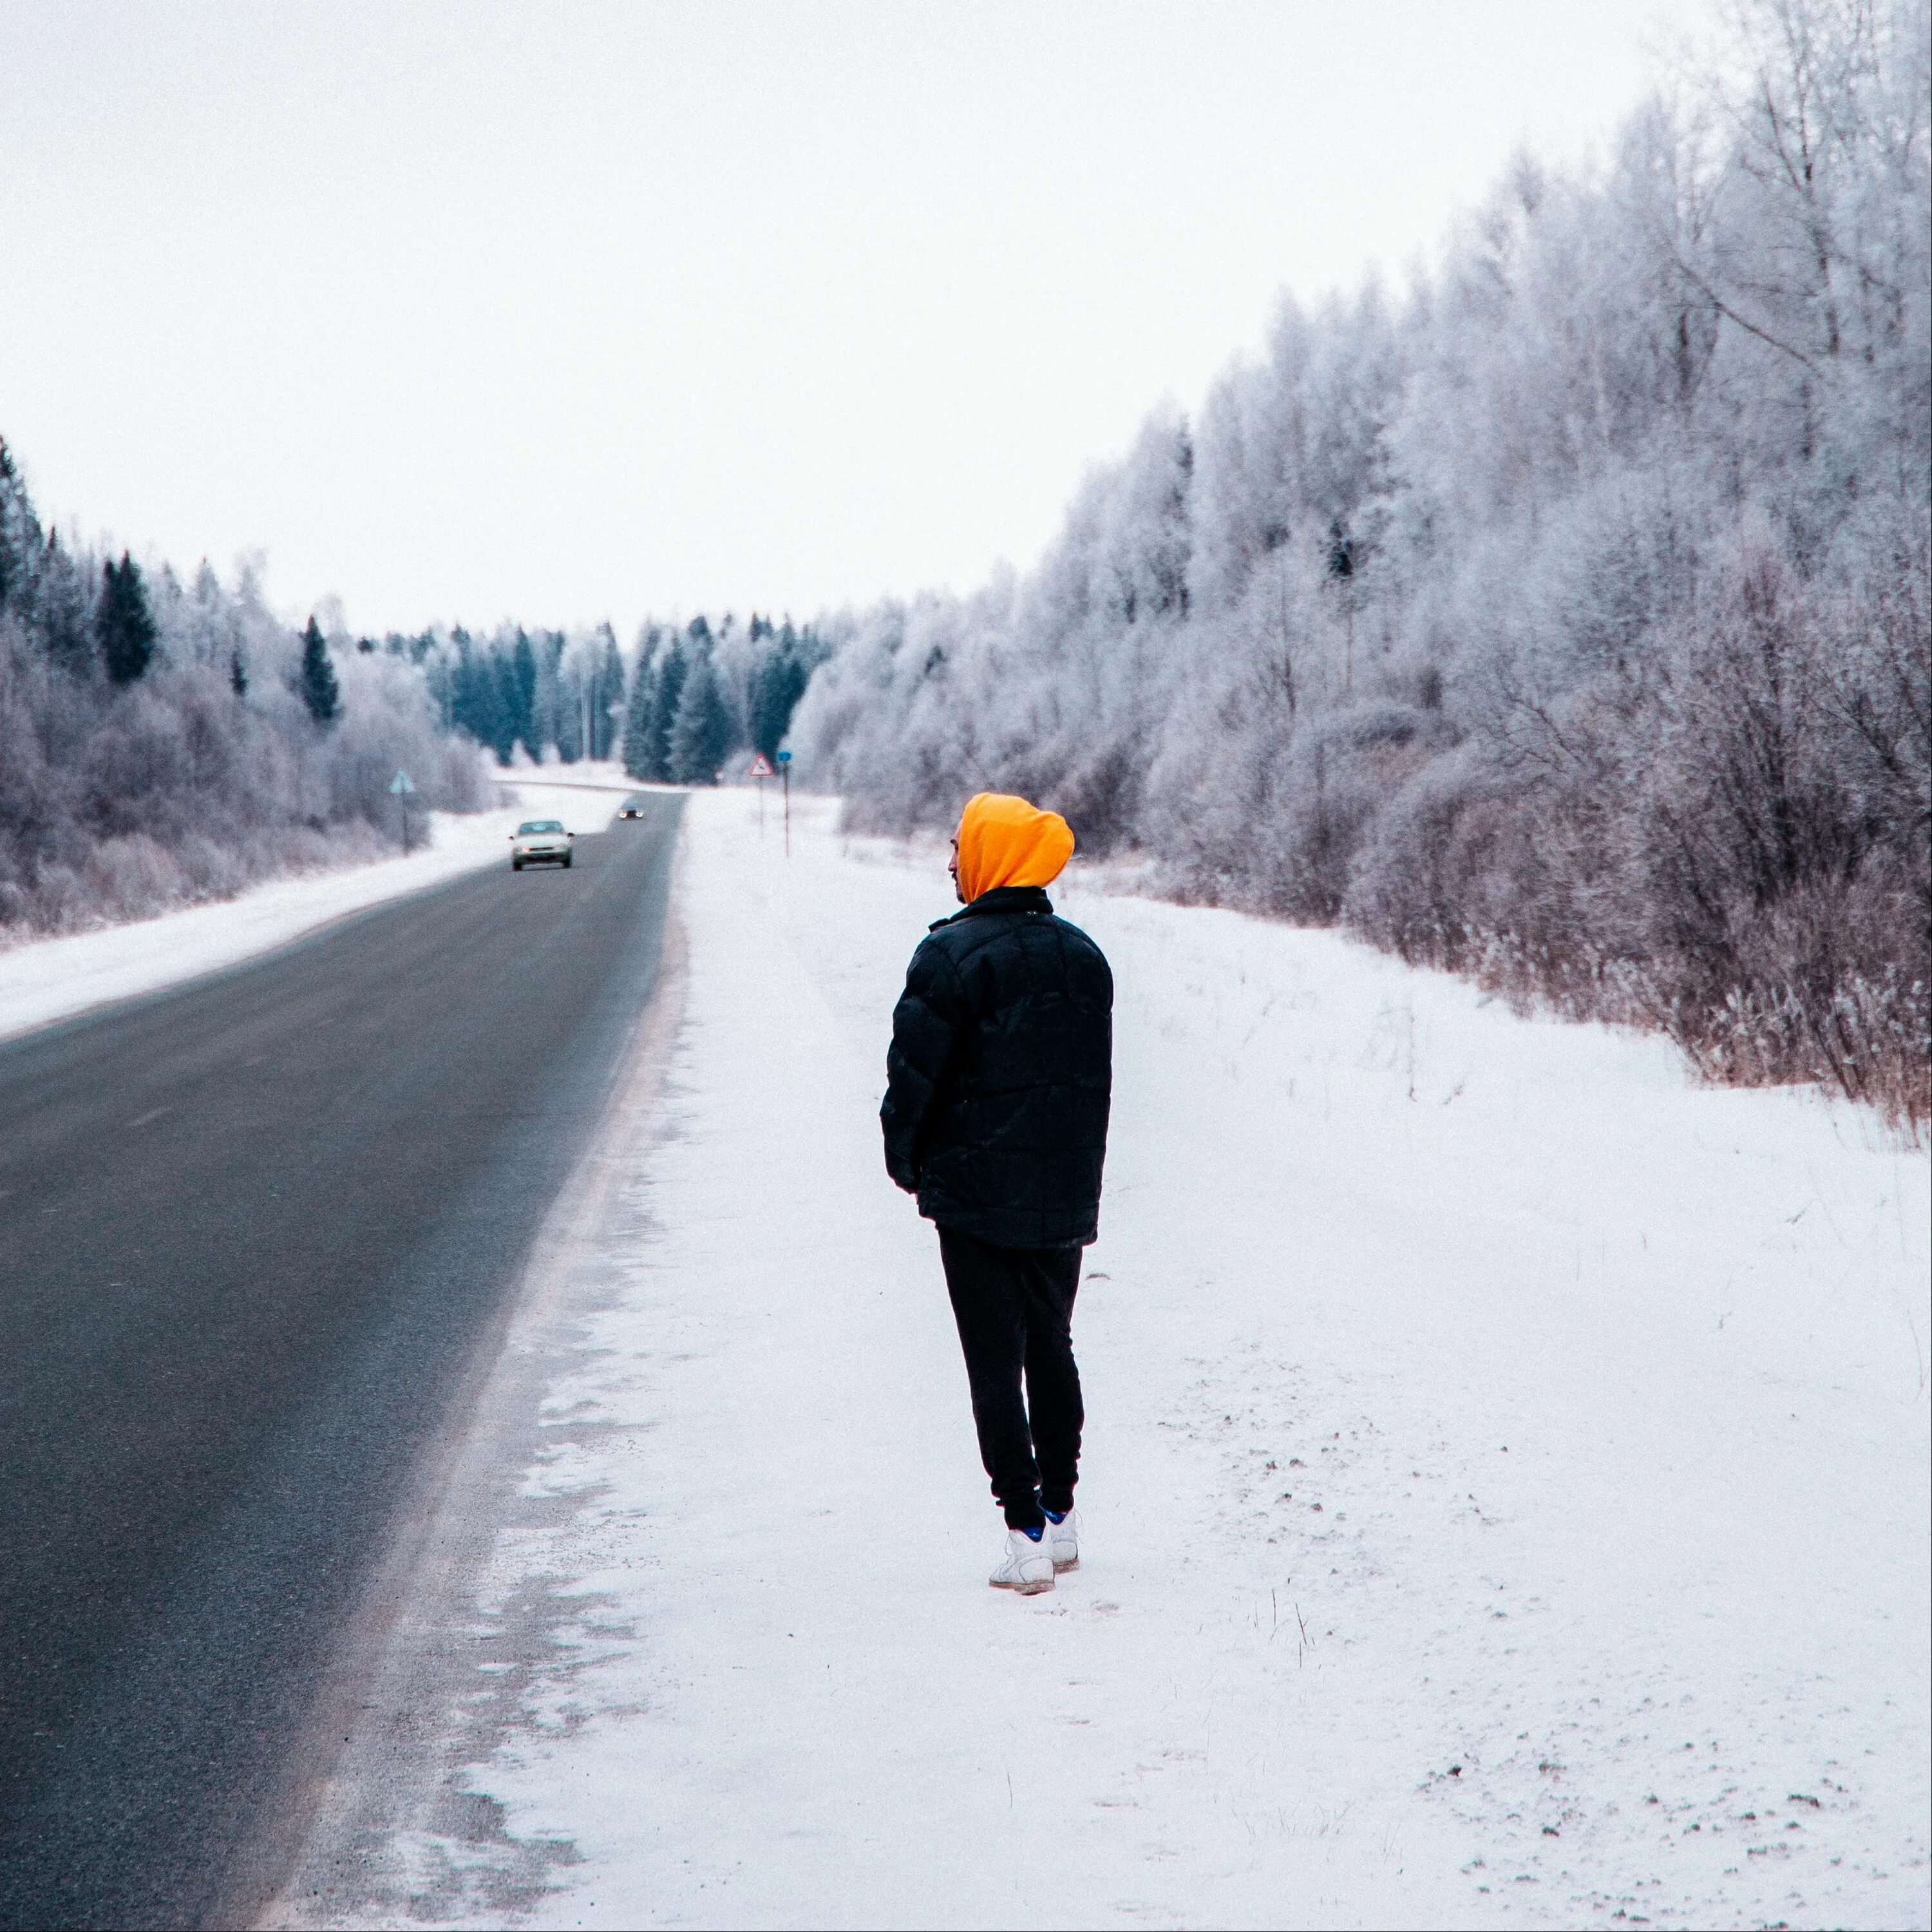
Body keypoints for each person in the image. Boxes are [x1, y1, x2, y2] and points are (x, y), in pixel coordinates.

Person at [882, 792, 1113, 1596]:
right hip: (1061, 1192)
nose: (951, 859)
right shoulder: (1084, 957)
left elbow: (915, 1078)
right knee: (1053, 1348)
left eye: (960, 845)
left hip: (976, 1196)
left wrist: (906, 1160)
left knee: (994, 1363)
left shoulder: (950, 959)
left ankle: (1022, 1539)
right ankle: (1063, 1520)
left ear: (992, 856)